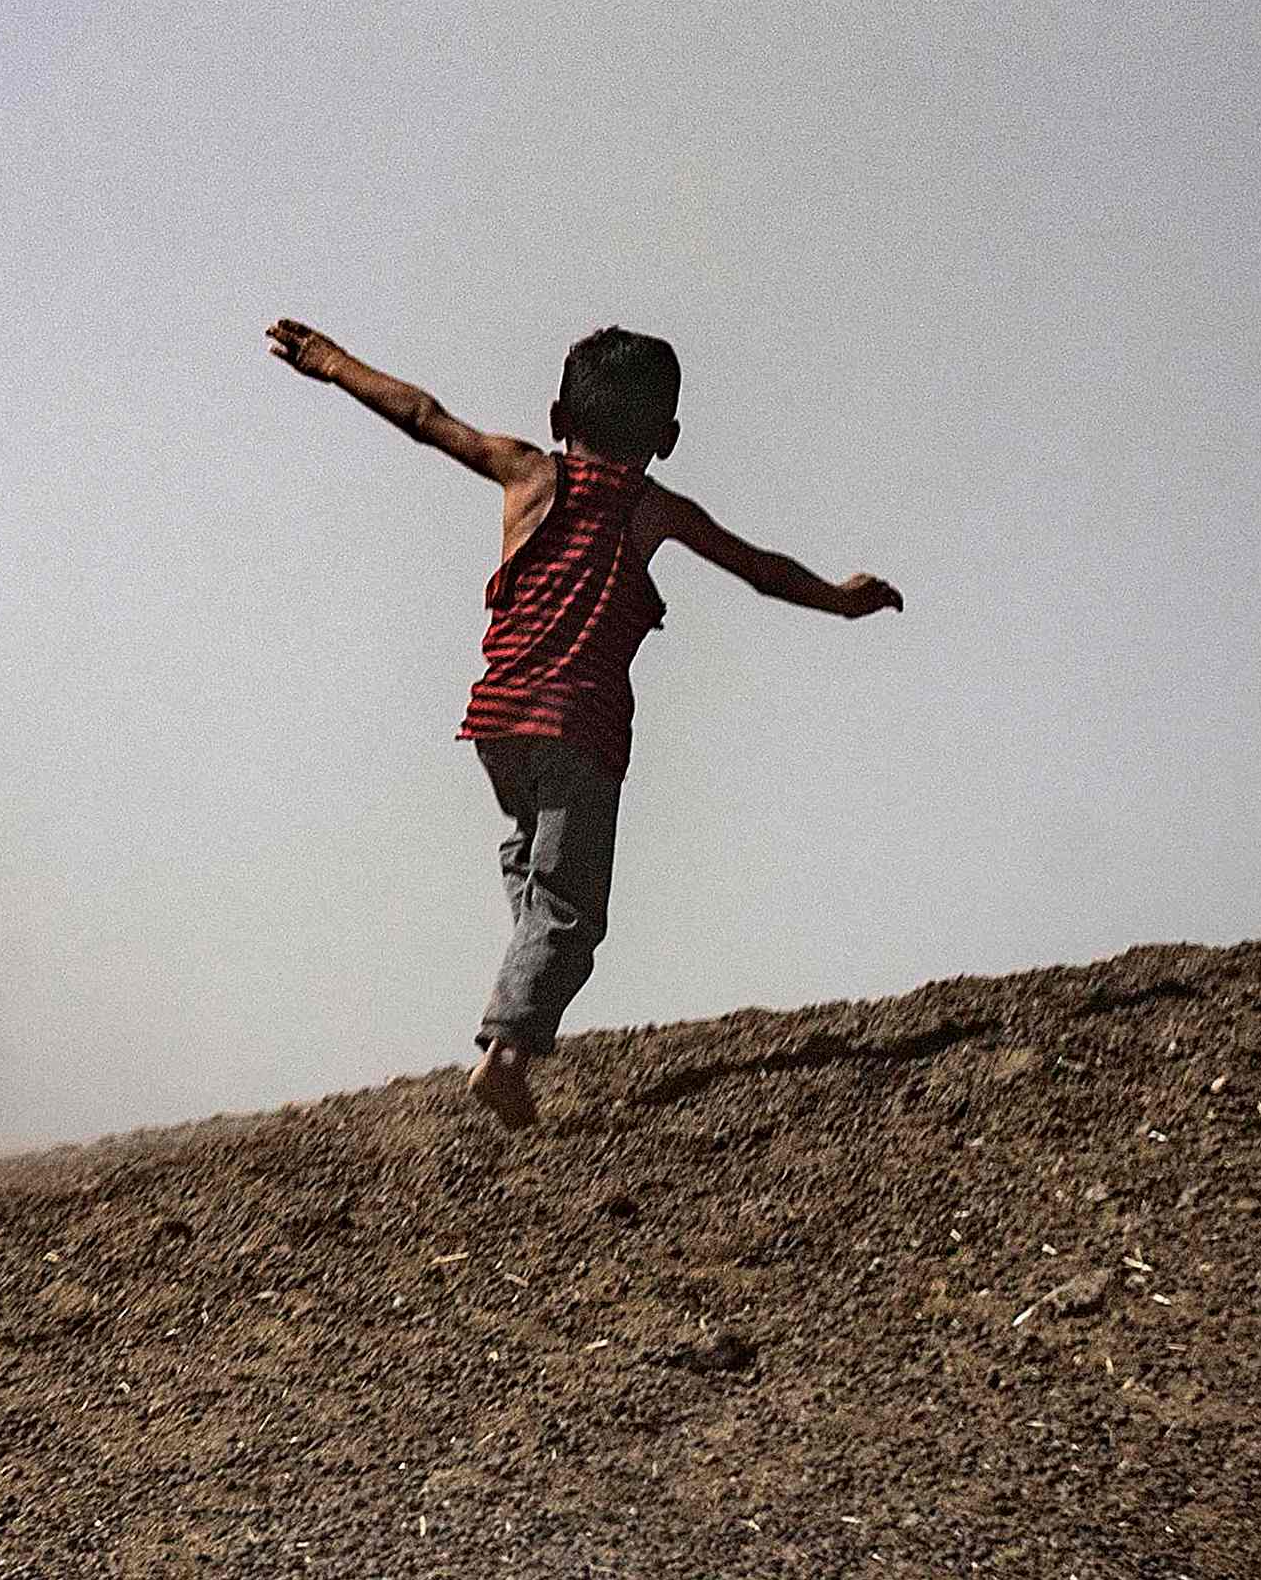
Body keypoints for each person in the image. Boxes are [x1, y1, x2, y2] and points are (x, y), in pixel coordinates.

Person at [266, 318, 902, 1130]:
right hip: (581, 726)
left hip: (499, 721)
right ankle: (507, 1052)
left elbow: (424, 416)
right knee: (571, 907)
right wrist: (842, 601)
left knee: (533, 861)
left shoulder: (526, 472)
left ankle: (524, 988)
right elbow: (763, 572)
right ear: (666, 438)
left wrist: (332, 363)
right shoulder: (653, 508)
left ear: (559, 417)